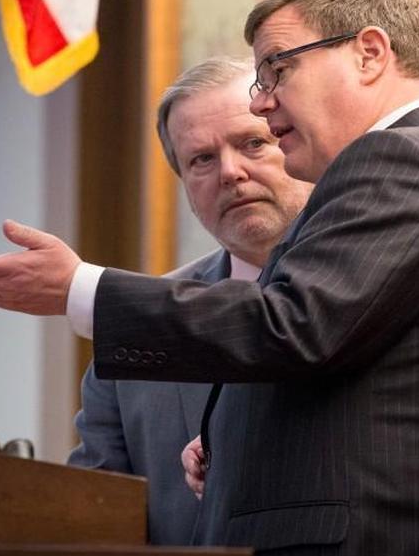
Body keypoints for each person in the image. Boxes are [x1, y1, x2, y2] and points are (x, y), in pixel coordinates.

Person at [0, 0, 419, 555]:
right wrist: (239, 441)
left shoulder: (403, 159)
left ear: (370, 53)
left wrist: (82, 288)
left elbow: (293, 325)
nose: (262, 98)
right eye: (202, 158)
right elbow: (382, 376)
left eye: (277, 69)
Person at [66, 57, 312, 545]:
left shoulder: (373, 285)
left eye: (253, 143)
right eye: (201, 159)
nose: (230, 172)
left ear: (297, 144)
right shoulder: (140, 322)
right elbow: (93, 516)